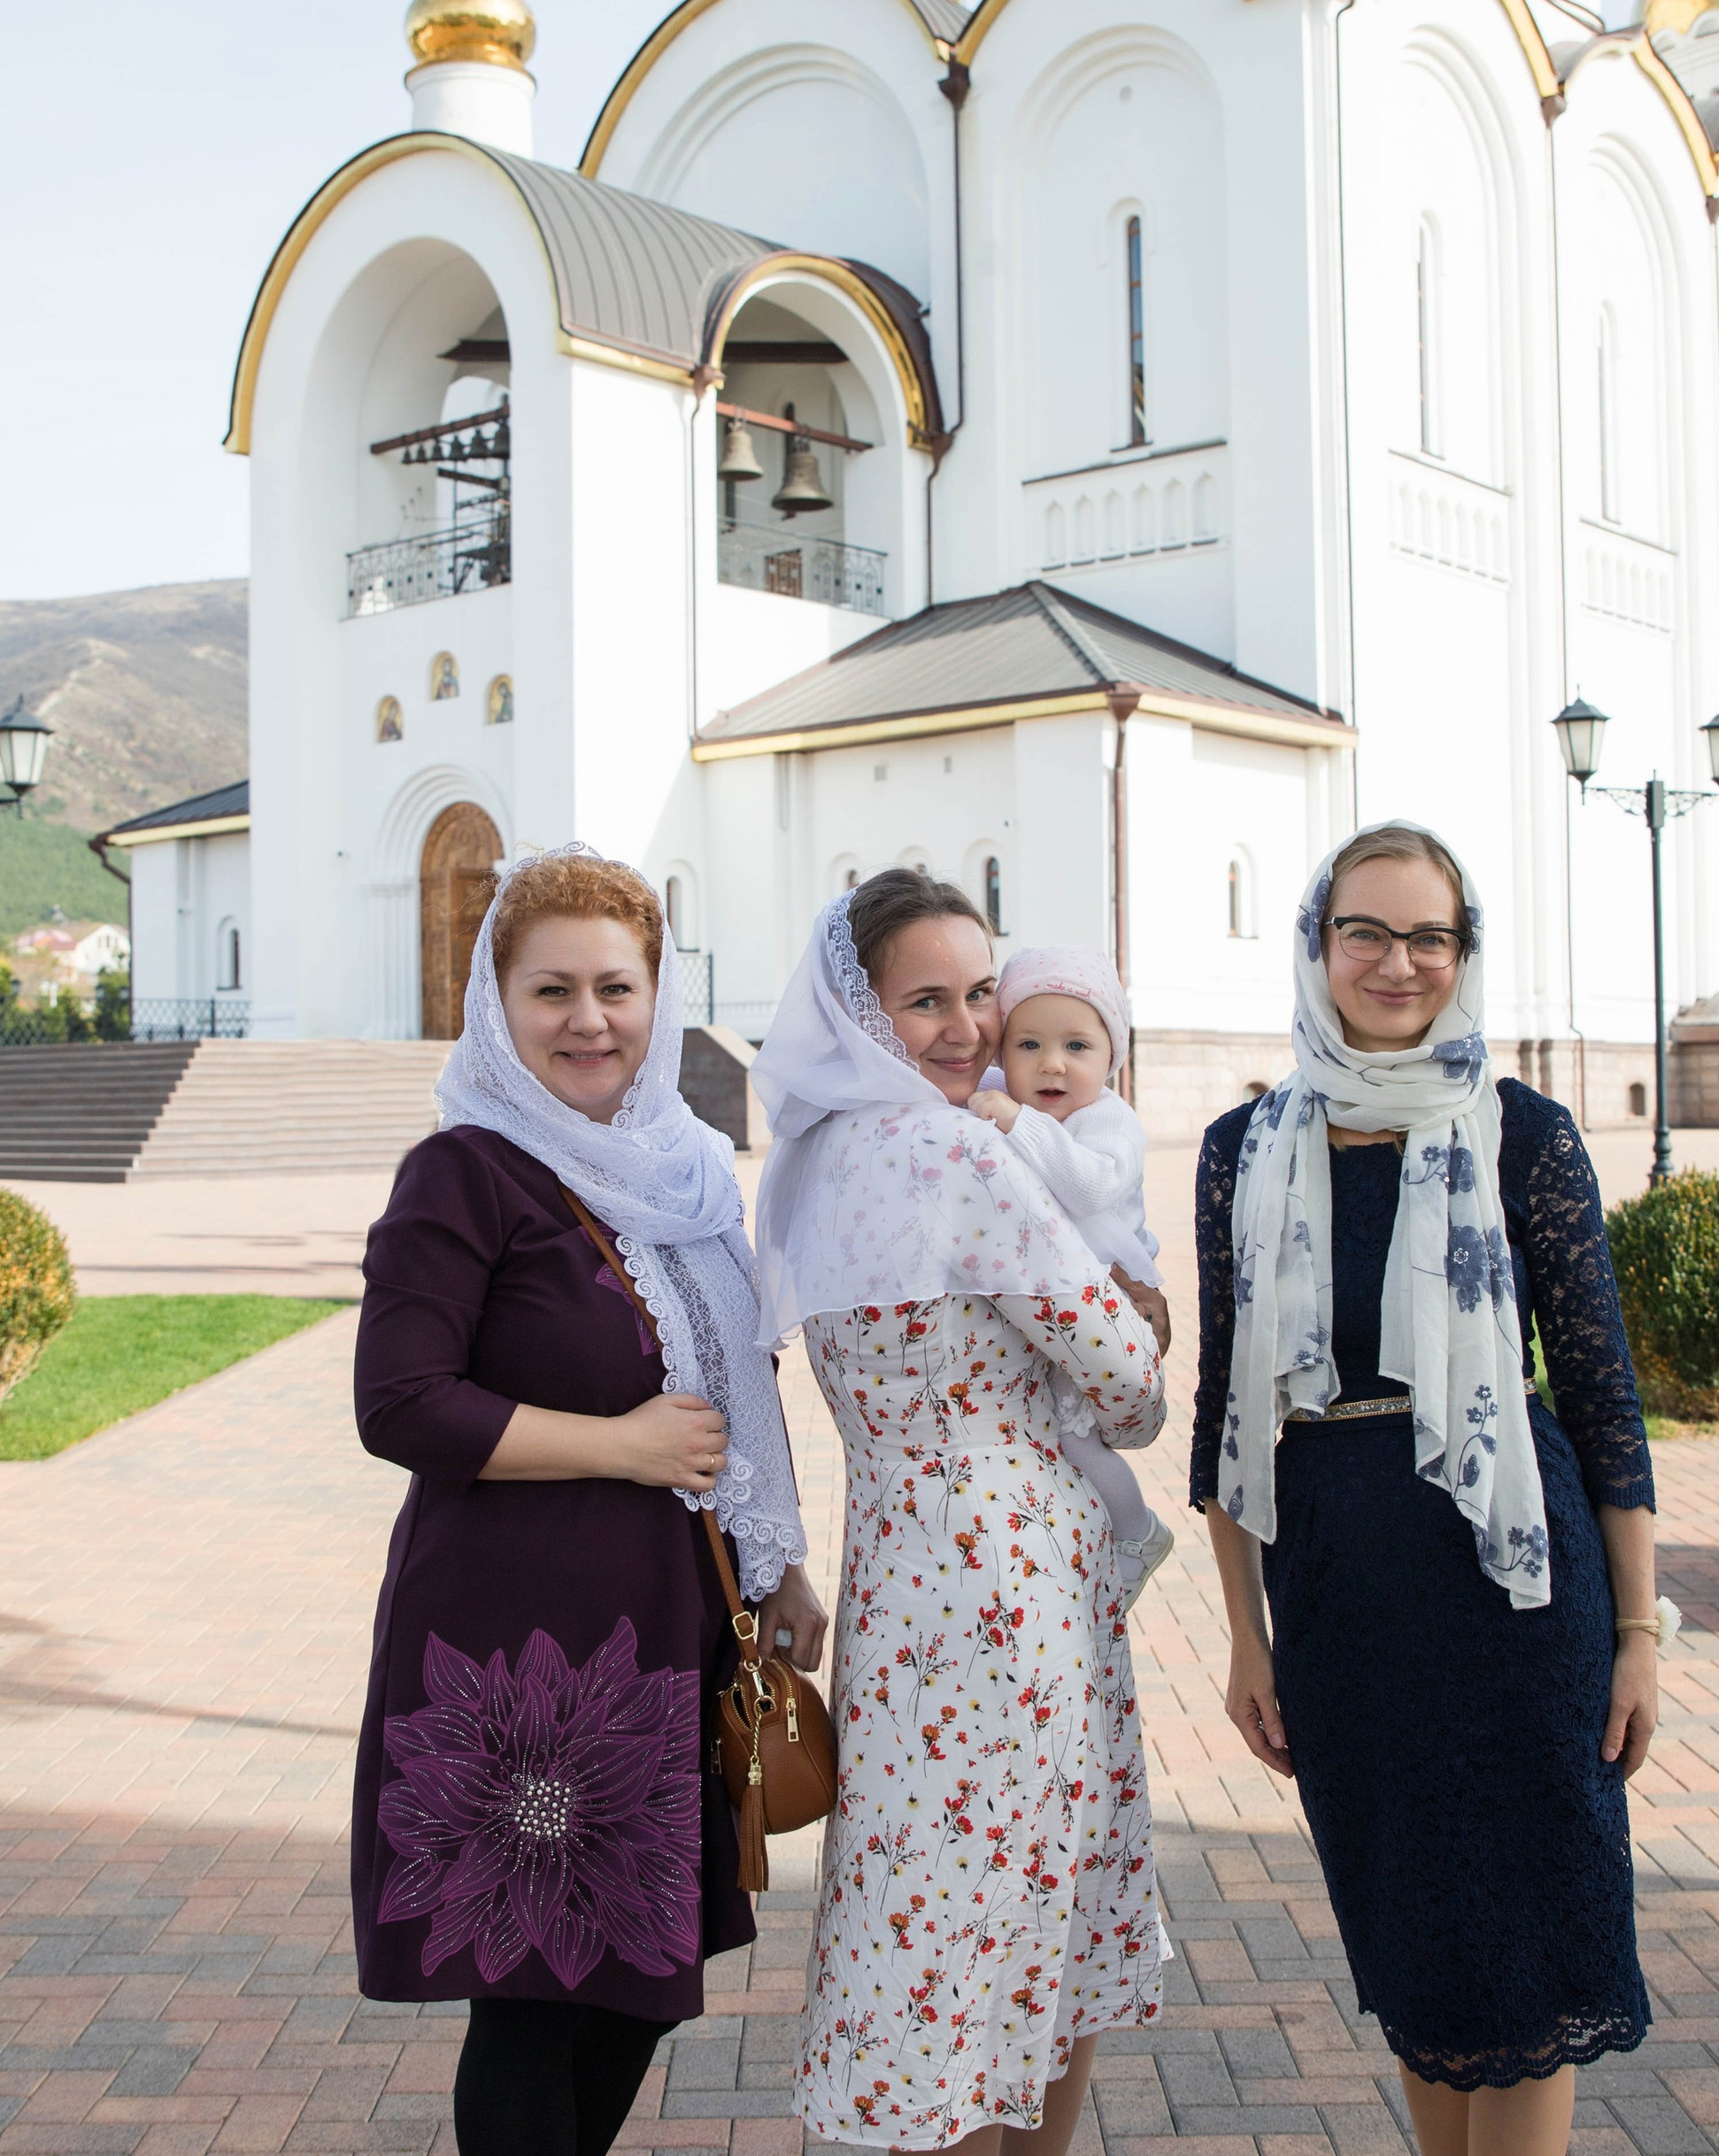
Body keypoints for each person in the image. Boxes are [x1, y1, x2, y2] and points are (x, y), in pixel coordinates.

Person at [351, 845, 829, 2156]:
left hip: (662, 1628)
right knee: (540, 1991)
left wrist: (773, 1561)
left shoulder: (680, 1171)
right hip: (522, 1649)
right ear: (495, 1002)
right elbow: (399, 1402)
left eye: (616, 987)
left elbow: (733, 1388)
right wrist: (614, 1446)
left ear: (658, 998)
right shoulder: (466, 1171)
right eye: (550, 989)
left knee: (634, 1982)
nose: (588, 1020)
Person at [1193, 823, 1661, 2156]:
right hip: (1340, 1599)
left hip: (1512, 1593)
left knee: (1527, 1959)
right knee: (1417, 1961)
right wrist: (1245, 1636)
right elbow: (1228, 1409)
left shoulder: (1522, 1135)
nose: (1399, 963)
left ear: (1463, 952)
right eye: (1368, 933)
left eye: (1429, 937)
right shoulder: (1246, 1148)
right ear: (1318, 942)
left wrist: (1638, 1637)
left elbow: (1603, 1400)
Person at [752, 868, 1168, 2156]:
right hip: (1012, 1595)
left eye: (982, 991)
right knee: (1019, 1926)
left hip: (899, 1584)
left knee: (928, 1920)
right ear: (857, 1013)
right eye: (923, 1001)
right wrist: (1132, 1329)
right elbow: (1133, 1386)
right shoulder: (957, 1151)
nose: (970, 1027)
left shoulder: (810, 1162)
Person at [967, 945, 1176, 1605]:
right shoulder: (1008, 1098)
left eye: (1077, 1046)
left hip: (1104, 1301)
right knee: (1050, 1439)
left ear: (1110, 1057)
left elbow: (1089, 1189)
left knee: (1076, 1439)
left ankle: (1138, 1532)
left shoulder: (1108, 1120)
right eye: (1029, 1044)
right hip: (1052, 1305)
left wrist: (1019, 1123)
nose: (1052, 1062)